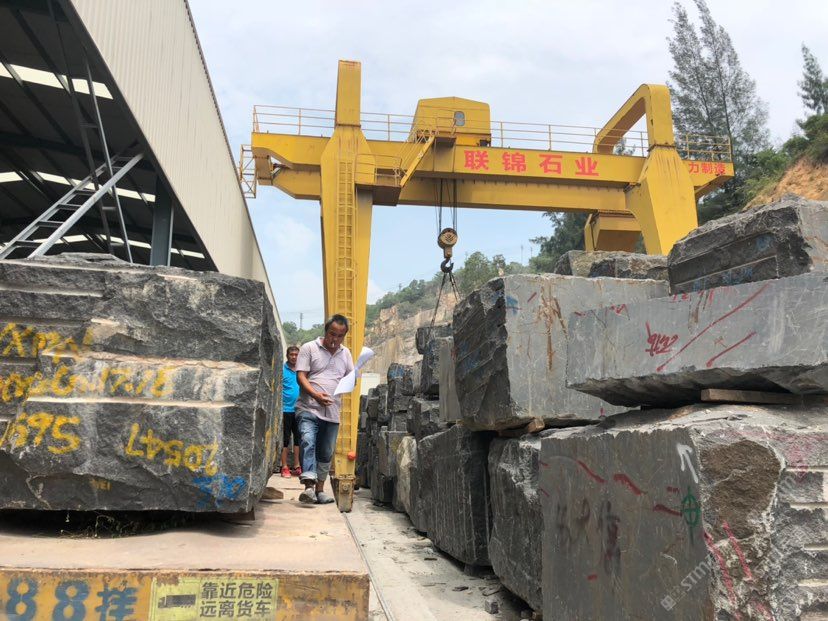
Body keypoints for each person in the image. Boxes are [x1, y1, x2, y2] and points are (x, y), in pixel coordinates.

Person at [294, 314, 354, 504]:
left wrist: (351, 380)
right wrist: (315, 395)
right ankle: (309, 487)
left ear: (344, 336)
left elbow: (350, 379)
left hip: (332, 412)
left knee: (326, 452)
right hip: (308, 408)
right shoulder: (309, 348)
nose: (334, 339)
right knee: (308, 441)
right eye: (332, 334)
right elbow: (301, 376)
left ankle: (320, 490)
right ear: (325, 331)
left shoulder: (346, 354)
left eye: (339, 336)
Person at [280, 345, 301, 477]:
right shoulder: (282, 370)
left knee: (298, 438)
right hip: (285, 409)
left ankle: (297, 465)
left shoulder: (302, 370)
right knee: (285, 439)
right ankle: (284, 466)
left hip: (299, 409)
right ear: (287, 356)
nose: (294, 357)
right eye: (291, 354)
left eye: (296, 355)